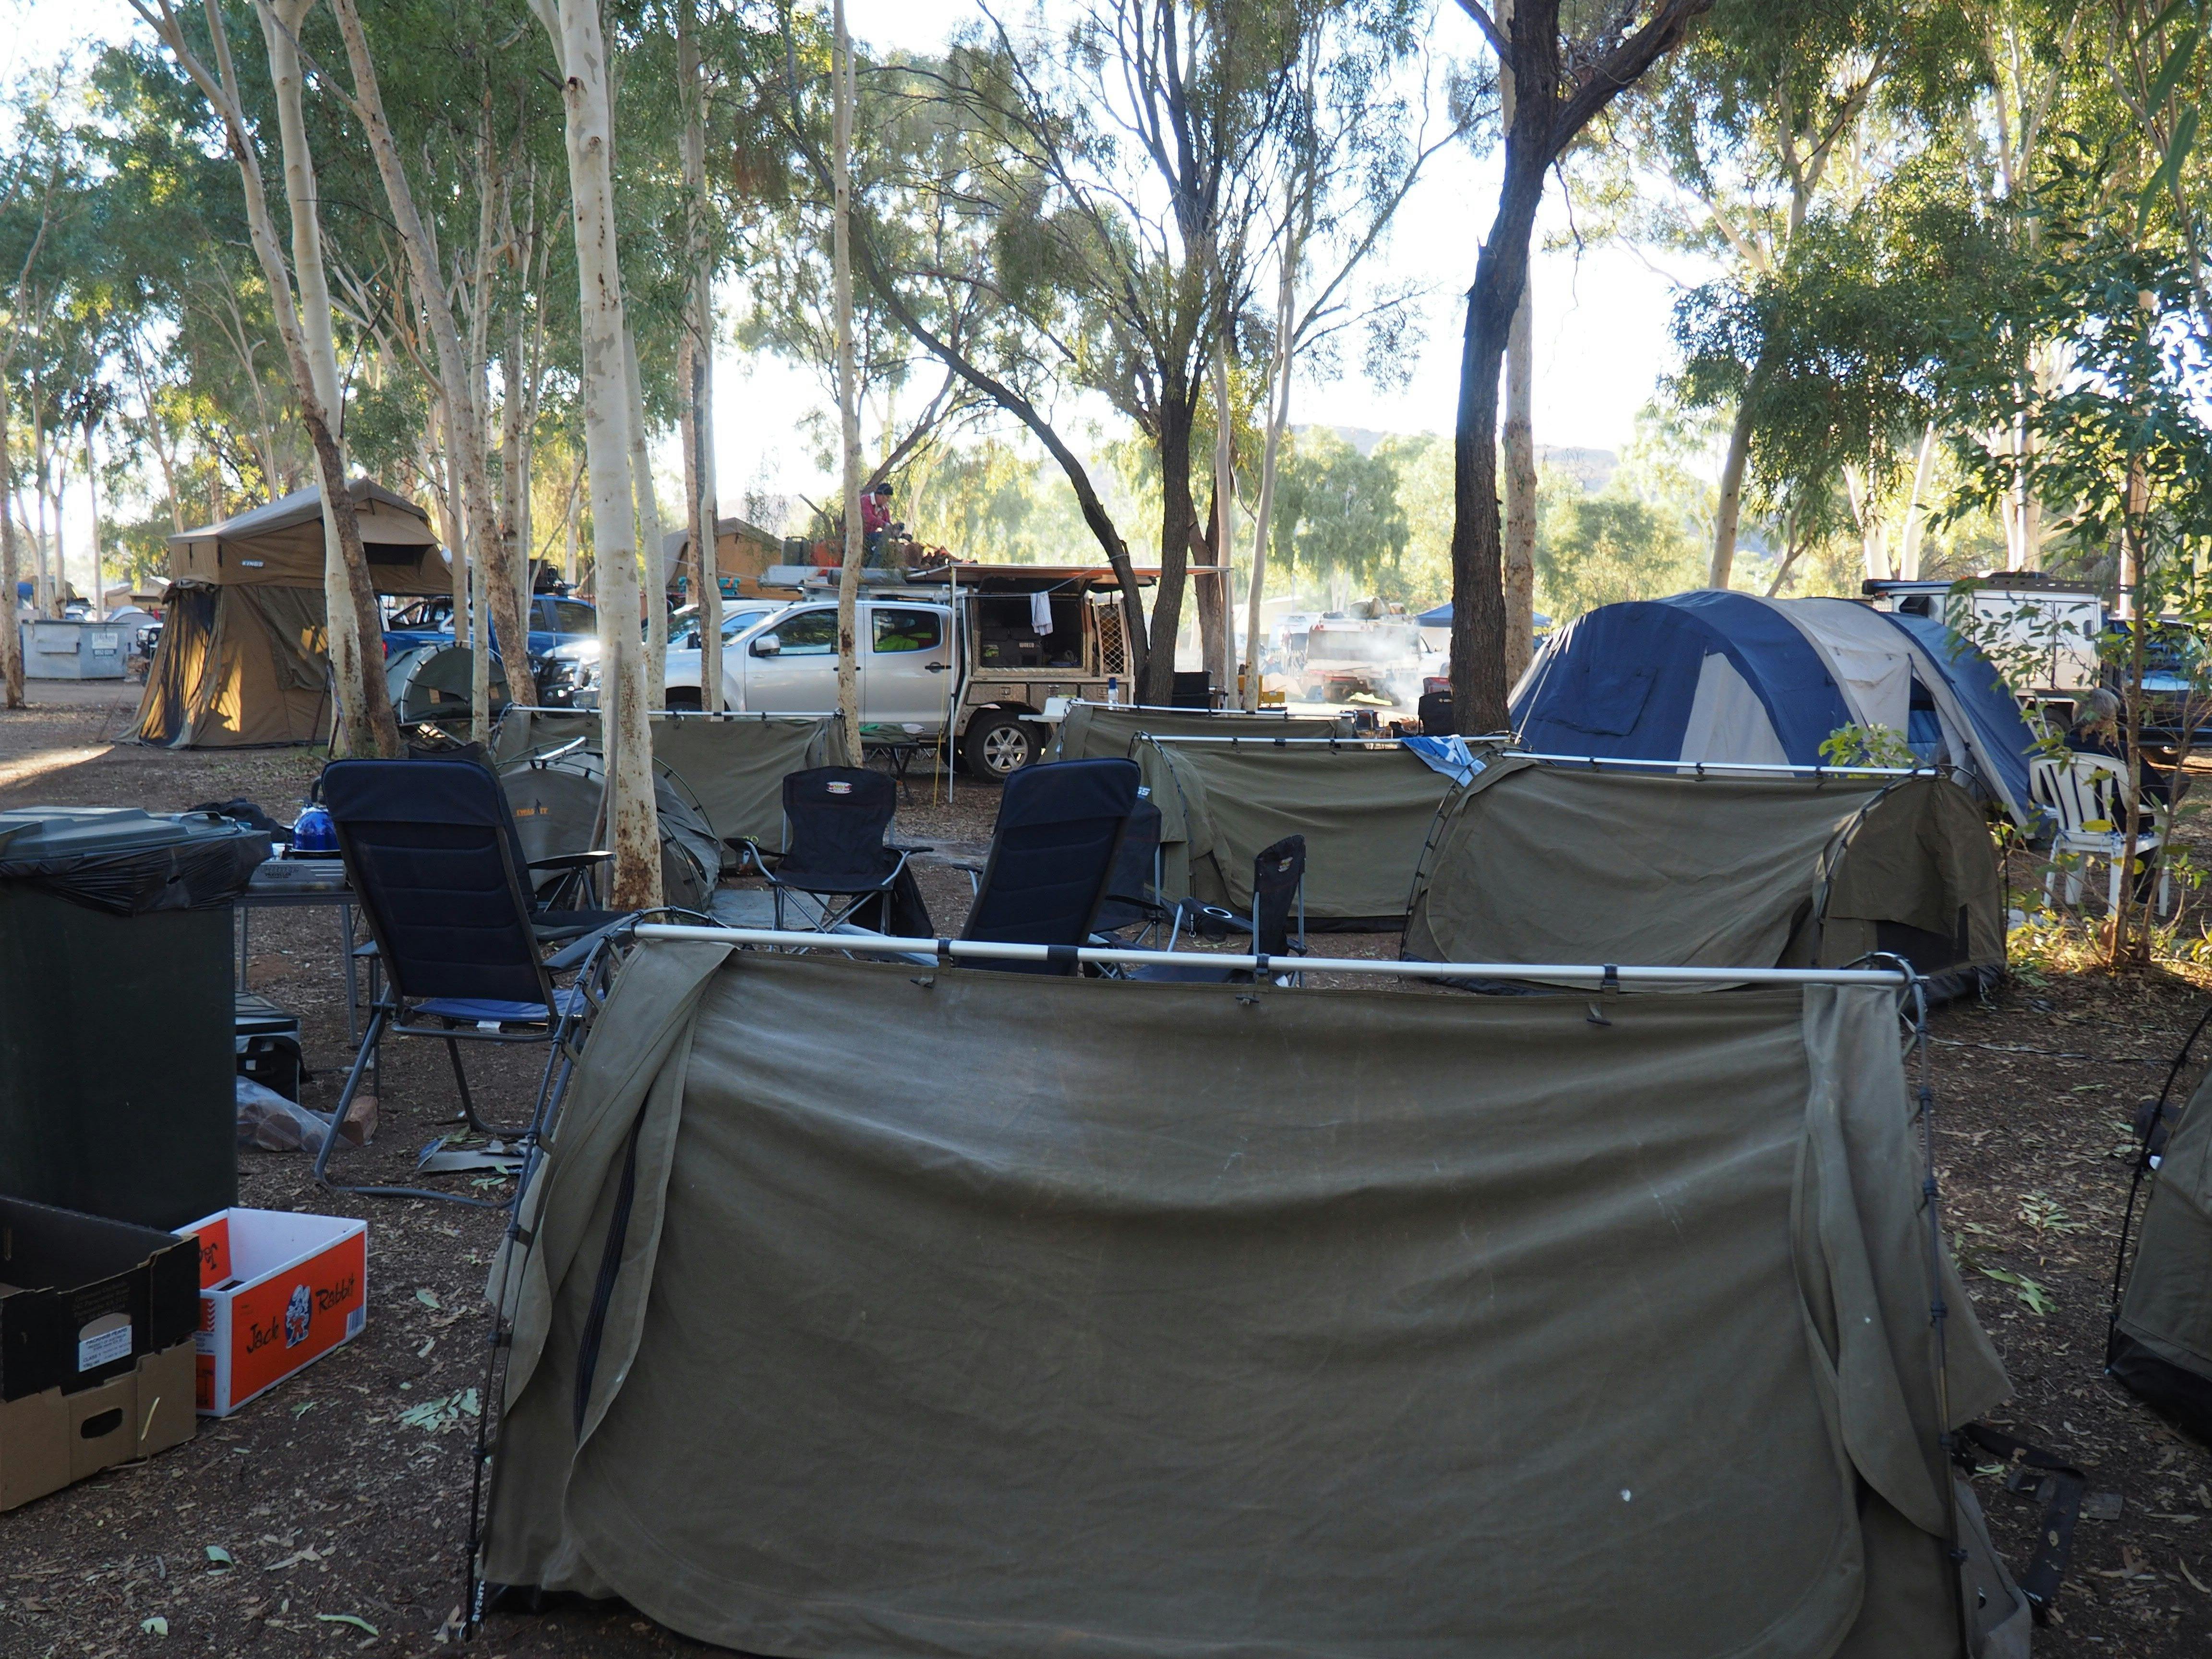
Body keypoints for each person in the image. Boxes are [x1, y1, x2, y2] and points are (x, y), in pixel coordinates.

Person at [860, 481, 893, 560]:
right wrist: (885, 525)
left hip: (870, 536)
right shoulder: (865, 500)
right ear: (882, 496)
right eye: (888, 498)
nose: (888, 501)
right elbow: (867, 517)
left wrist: (897, 530)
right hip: (857, 535)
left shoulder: (885, 509)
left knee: (886, 536)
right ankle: (873, 568)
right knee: (883, 536)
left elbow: (888, 525)